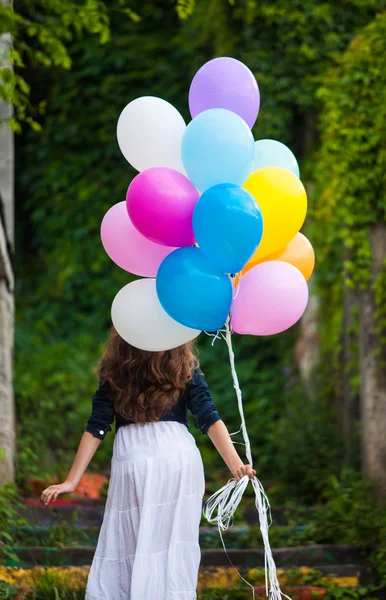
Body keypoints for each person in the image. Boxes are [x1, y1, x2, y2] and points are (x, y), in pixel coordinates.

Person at [40, 326, 255, 600]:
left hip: (134, 457)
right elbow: (207, 415)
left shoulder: (115, 365)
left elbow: (98, 425)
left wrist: (72, 481)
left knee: (130, 543)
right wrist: (235, 464)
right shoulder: (183, 362)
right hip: (178, 457)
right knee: (173, 546)